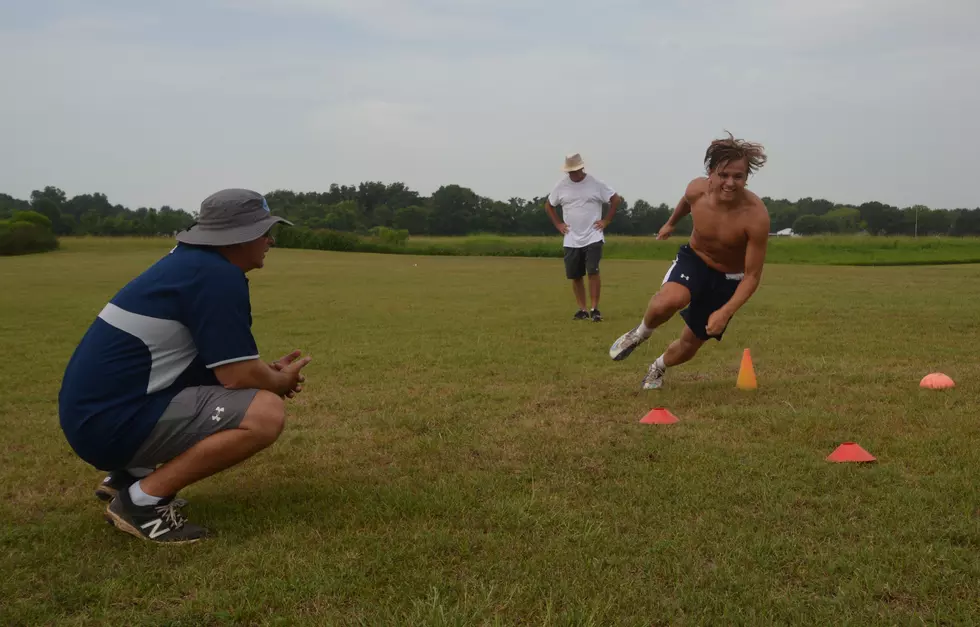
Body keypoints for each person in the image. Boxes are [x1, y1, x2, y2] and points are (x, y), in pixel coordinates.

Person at [58, 188, 312, 544]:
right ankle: (142, 502)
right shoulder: (216, 276)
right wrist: (277, 382)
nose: (270, 240)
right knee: (264, 412)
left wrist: (267, 374)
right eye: (263, 231)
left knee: (253, 393)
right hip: (108, 425)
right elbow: (238, 376)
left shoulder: (189, 263)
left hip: (96, 416)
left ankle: (129, 476)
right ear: (238, 237)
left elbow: (209, 365)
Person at [608, 132, 770, 389]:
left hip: (729, 279)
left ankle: (657, 367)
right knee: (669, 300)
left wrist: (725, 311)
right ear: (710, 173)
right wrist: (670, 224)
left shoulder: (756, 217)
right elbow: (686, 202)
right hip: (695, 259)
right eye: (723, 174)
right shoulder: (697, 189)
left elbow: (752, 276)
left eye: (738, 176)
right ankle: (639, 334)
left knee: (690, 343)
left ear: (746, 178)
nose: (730, 183)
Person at [544, 152, 622, 322]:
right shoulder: (561, 186)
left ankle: (595, 309)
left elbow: (616, 199)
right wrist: (558, 224)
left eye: (576, 170)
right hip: (571, 238)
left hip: (593, 235)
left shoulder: (595, 184)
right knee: (575, 275)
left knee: (592, 270)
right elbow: (549, 205)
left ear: (582, 168)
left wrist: (606, 220)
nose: (573, 174)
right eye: (570, 171)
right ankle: (582, 309)